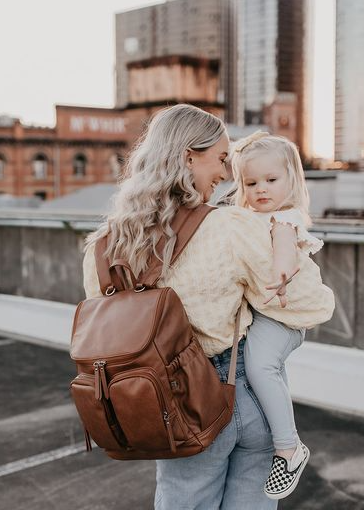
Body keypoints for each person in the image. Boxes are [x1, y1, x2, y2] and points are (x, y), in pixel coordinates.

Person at [81, 104, 335, 510]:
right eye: (219, 159)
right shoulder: (229, 226)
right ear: (187, 157)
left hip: (170, 407)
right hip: (242, 393)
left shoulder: (103, 247)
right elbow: (312, 305)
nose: (226, 174)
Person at [229, 131, 328, 499]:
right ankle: (283, 440)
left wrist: (280, 276)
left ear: (292, 180)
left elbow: (284, 251)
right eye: (251, 182)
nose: (261, 189)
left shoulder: (284, 219)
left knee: (260, 369)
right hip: (274, 315)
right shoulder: (253, 218)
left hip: (282, 315)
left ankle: (289, 448)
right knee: (270, 372)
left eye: (271, 180)